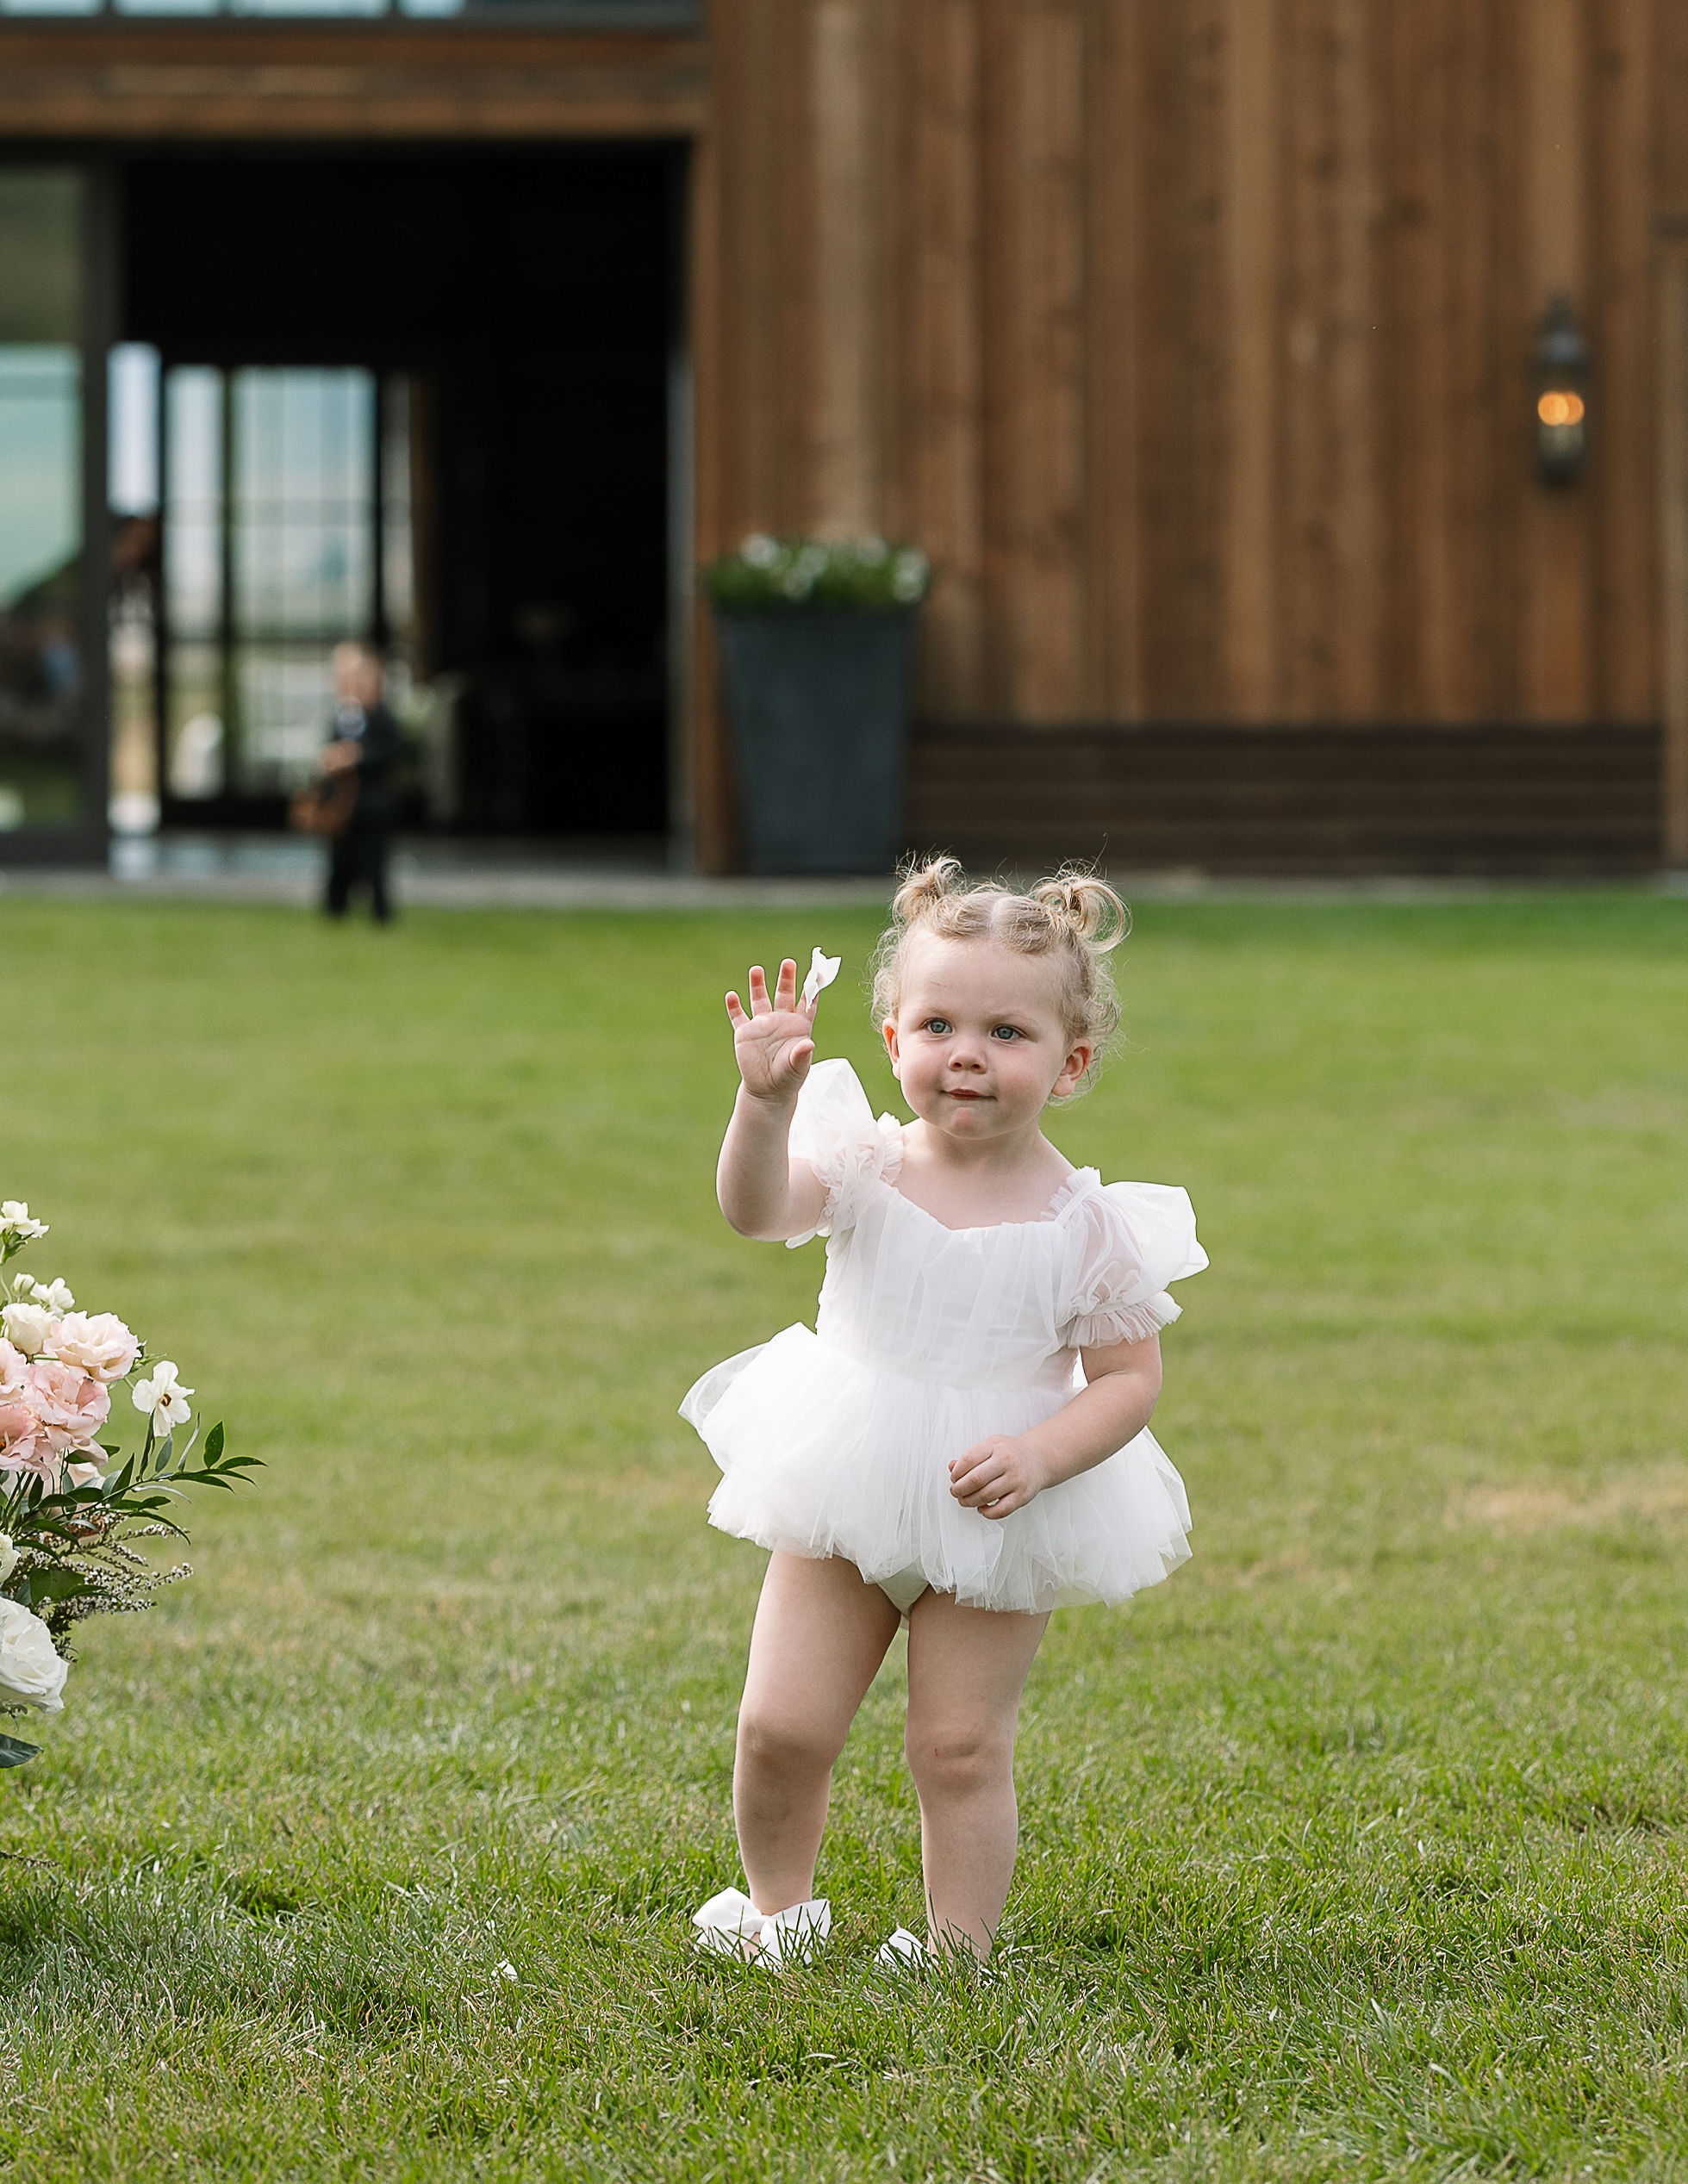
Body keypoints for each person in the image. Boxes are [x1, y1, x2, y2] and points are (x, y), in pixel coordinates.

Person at [682, 857, 1208, 1969]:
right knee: (782, 1725)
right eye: (938, 1024)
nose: (965, 1054)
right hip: (848, 1480)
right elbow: (754, 1210)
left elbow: (1128, 1380)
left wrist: (1040, 1451)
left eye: (1006, 1035)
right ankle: (778, 1916)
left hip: (997, 1505)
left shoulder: (1089, 1226)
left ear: (1070, 1064)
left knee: (959, 1746)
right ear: (891, 1039)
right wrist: (761, 1106)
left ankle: (957, 1952)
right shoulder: (867, 1163)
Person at [319, 642, 403, 922]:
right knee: (340, 861)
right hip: (344, 803)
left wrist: (357, 756)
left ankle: (380, 912)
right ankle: (336, 909)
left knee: (374, 861)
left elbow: (390, 753)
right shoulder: (344, 715)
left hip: (372, 803)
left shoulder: (383, 719)